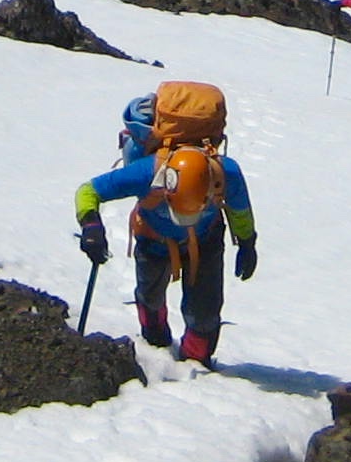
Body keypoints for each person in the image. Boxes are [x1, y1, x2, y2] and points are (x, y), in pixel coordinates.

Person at [75, 82, 256, 361]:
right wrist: (91, 226)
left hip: (201, 240)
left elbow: (240, 211)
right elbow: (88, 191)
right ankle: (156, 344)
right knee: (150, 300)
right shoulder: (148, 171)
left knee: (204, 315)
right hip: (156, 239)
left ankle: (196, 365)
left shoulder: (225, 172)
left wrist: (247, 242)